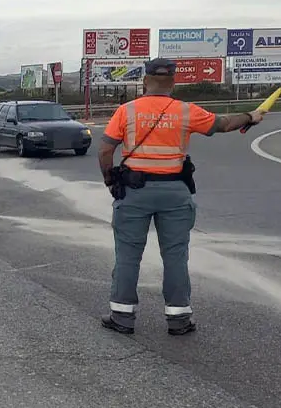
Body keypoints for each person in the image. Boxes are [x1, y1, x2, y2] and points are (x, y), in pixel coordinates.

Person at [98, 57, 265, 336]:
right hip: (175, 192)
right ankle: (178, 319)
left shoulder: (126, 111)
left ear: (145, 81)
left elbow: (105, 150)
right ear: (173, 83)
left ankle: (122, 316)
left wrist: (110, 180)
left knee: (128, 254)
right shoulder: (186, 111)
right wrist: (250, 116)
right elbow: (223, 124)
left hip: (134, 191)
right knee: (175, 255)